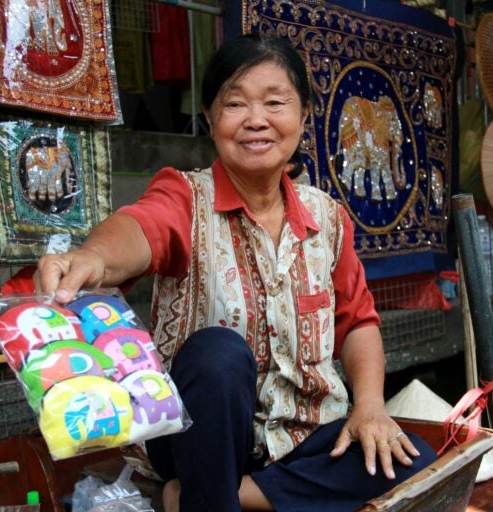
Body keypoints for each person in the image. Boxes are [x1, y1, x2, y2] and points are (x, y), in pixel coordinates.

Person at [35, 33, 437, 512]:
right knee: (218, 354)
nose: (256, 120)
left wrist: (370, 406)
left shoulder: (327, 217)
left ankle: (213, 498)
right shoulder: (185, 197)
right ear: (210, 118)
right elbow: (142, 228)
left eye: (274, 102)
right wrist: (95, 258)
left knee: (415, 462)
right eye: (235, 104)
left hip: (301, 434)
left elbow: (358, 323)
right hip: (194, 436)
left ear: (304, 118)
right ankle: (227, 491)